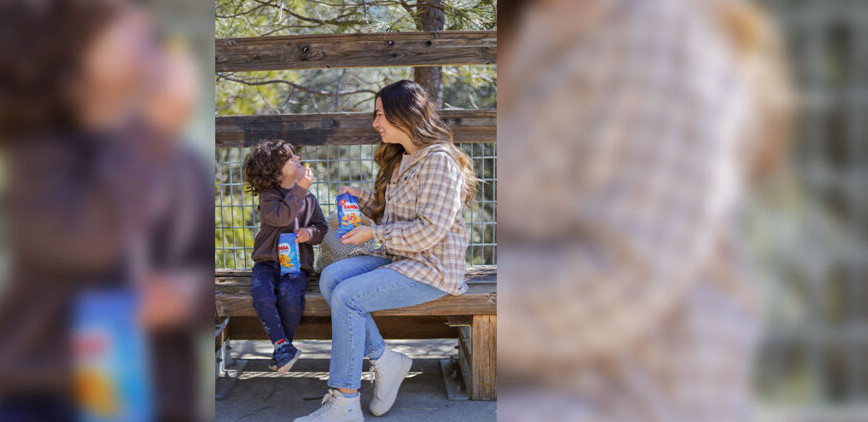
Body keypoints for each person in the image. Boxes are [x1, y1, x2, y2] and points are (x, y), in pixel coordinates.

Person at [497, 0, 793, 420]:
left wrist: (488, 302)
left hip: (633, 398)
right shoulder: (533, 29)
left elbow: (625, 279)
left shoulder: (659, 36)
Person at [0, 0, 211, 420]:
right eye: (123, 20)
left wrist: (182, 298)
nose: (148, 24)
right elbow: (89, 238)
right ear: (76, 54)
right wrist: (155, 128)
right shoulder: (40, 156)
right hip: (43, 400)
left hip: (157, 401)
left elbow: (206, 278)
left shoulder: (181, 165)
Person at [294, 80, 479, 421]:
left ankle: (344, 403)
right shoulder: (403, 159)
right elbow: (391, 210)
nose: (376, 123)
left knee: (348, 296)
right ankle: (385, 360)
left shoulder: (439, 161)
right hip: (400, 259)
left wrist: (373, 233)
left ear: (404, 115)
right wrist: (362, 198)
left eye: (380, 114)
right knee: (331, 277)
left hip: (432, 268)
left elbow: (429, 230)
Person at [242, 139, 328, 374]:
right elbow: (281, 217)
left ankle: (282, 348)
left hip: (296, 265)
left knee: (290, 294)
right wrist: (300, 188)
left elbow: (321, 229)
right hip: (267, 262)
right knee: (261, 292)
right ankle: (283, 347)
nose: (298, 159)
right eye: (291, 158)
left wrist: (308, 233)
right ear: (275, 172)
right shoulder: (269, 196)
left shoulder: (308, 199)